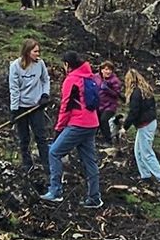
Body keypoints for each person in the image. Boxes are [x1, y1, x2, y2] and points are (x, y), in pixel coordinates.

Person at [40, 51, 103, 208]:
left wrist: (59, 128)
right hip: (92, 123)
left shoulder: (71, 80)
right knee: (90, 160)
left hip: (78, 123)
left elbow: (66, 106)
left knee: (54, 152)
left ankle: (55, 191)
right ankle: (95, 197)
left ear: (67, 65)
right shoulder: (90, 76)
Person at [8, 38, 51, 172]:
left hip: (36, 106)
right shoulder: (15, 66)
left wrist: (45, 95)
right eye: (35, 51)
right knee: (24, 137)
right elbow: (14, 89)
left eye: (38, 51)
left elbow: (45, 80)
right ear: (27, 52)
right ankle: (27, 164)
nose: (38, 54)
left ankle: (47, 164)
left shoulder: (40, 64)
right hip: (22, 107)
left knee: (40, 136)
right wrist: (14, 110)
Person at [120, 69, 160, 187]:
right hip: (148, 123)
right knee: (138, 151)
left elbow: (134, 112)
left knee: (146, 152)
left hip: (145, 125)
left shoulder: (135, 93)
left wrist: (125, 127)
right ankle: (145, 176)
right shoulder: (145, 91)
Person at [96, 60, 124, 148]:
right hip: (98, 105)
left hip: (110, 106)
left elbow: (117, 94)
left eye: (110, 70)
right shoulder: (96, 77)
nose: (108, 72)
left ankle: (108, 140)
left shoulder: (114, 80)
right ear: (101, 70)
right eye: (106, 69)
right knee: (96, 121)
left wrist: (108, 89)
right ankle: (94, 138)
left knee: (104, 120)